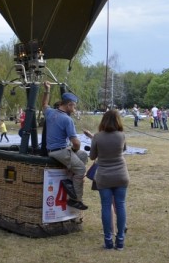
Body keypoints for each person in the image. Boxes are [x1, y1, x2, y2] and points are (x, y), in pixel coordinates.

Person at [41, 81, 89, 211]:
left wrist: (47, 90)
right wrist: (73, 151)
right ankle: (75, 199)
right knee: (80, 169)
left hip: (53, 149)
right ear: (69, 105)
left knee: (84, 155)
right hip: (60, 151)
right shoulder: (67, 120)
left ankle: (71, 180)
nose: (74, 109)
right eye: (74, 107)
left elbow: (44, 104)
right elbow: (76, 143)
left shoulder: (50, 112)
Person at [85, 109, 129, 250]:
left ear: (103, 120)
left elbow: (92, 157)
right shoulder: (121, 136)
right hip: (121, 174)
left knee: (105, 206)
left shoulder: (97, 137)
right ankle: (120, 240)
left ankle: (108, 240)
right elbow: (123, 150)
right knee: (120, 205)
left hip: (103, 176)